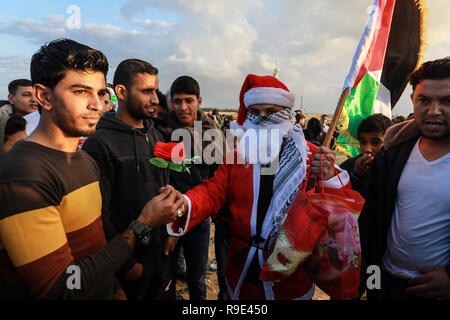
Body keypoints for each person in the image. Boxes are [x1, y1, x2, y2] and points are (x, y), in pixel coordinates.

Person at [0, 39, 181, 300]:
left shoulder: (82, 160)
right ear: (45, 96)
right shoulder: (24, 176)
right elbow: (61, 289)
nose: (96, 104)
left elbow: (93, 245)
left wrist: (114, 288)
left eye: (99, 93)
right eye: (81, 91)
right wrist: (142, 225)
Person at [164, 74, 350, 300]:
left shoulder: (310, 158)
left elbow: (339, 215)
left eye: (270, 112)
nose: (262, 119)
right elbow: (212, 190)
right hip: (242, 266)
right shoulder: (238, 156)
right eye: (255, 113)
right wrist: (186, 203)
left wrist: (329, 178)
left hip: (290, 275)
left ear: (287, 113)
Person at [82, 58, 174, 300]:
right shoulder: (100, 144)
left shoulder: (154, 134)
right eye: (146, 91)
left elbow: (160, 187)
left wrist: (172, 229)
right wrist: (128, 267)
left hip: (159, 255)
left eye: (155, 90)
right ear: (121, 92)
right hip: (128, 266)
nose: (155, 99)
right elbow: (98, 217)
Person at [359, 57, 450, 300]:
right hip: (384, 280)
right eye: (424, 100)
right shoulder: (392, 155)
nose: (434, 111)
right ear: (413, 101)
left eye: (447, 101)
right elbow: (370, 213)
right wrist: (369, 274)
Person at [157, 75, 226, 300]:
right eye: (177, 101)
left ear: (199, 101)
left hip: (198, 216)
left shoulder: (212, 130)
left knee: (197, 279)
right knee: (166, 278)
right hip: (166, 215)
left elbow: (221, 175)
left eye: (189, 100)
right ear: (170, 102)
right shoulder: (161, 126)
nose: (183, 107)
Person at [340, 114, 393, 193]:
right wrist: (356, 177)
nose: (367, 149)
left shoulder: (395, 168)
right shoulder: (347, 168)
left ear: (389, 142)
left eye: (375, 142)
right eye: (363, 142)